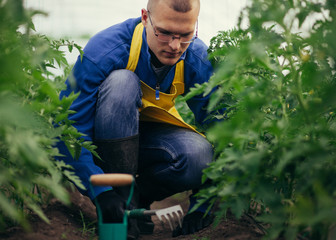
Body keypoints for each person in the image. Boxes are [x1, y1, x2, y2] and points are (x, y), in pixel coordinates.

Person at [57, 0, 216, 239]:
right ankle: (119, 198)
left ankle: (135, 198)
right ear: (144, 17)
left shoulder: (197, 57)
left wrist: (204, 204)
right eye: (163, 33)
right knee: (122, 82)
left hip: (153, 142)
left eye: (185, 35)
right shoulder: (106, 50)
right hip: (105, 141)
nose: (175, 46)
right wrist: (101, 193)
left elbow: (225, 131)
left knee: (199, 155)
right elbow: (68, 128)